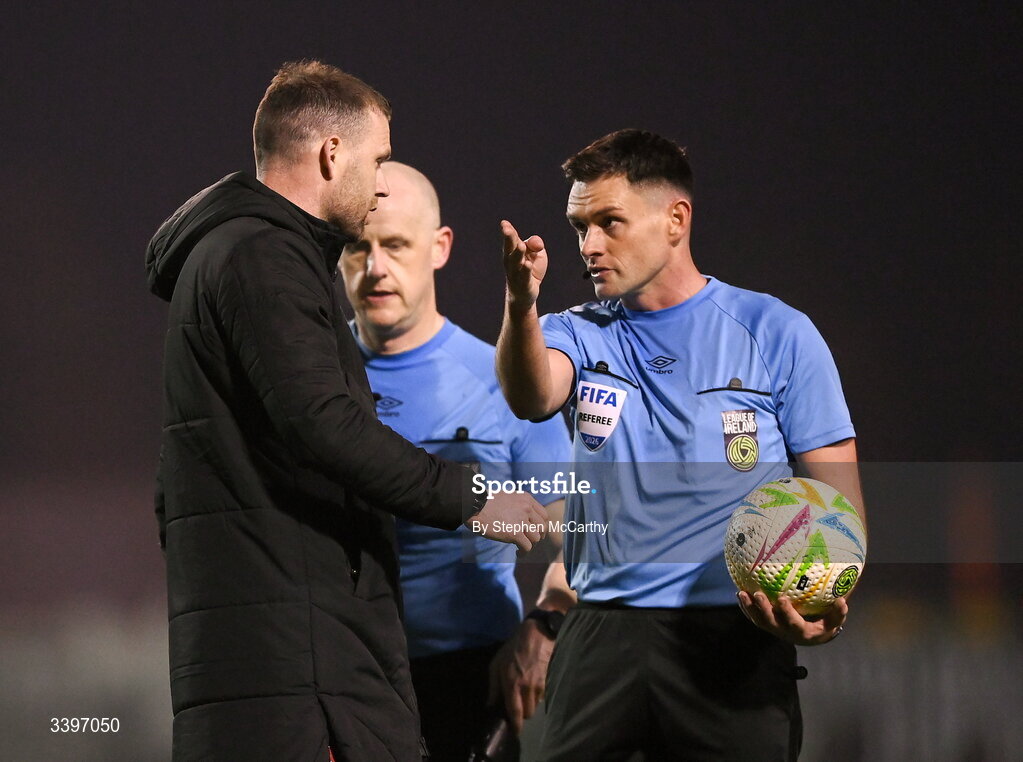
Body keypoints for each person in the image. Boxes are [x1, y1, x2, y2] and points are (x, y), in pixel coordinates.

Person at [144, 61, 547, 762]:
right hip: (297, 673)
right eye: (377, 159)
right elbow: (323, 423)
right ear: (332, 154)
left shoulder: (244, 251)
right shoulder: (265, 254)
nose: (381, 179)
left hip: (284, 655)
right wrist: (473, 498)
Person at [495, 128, 864, 761]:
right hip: (599, 632)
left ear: (676, 219)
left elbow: (839, 504)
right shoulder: (573, 332)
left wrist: (824, 600)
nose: (589, 245)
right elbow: (532, 395)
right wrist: (520, 303)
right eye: (579, 227)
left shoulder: (776, 333)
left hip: (731, 640)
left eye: (610, 222)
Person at [338, 161, 572, 761]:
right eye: (358, 248)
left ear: (439, 247)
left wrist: (545, 627)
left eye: (395, 245)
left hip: (470, 678)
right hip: (339, 679)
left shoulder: (503, 382)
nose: (376, 267)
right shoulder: (307, 383)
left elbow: (585, 532)